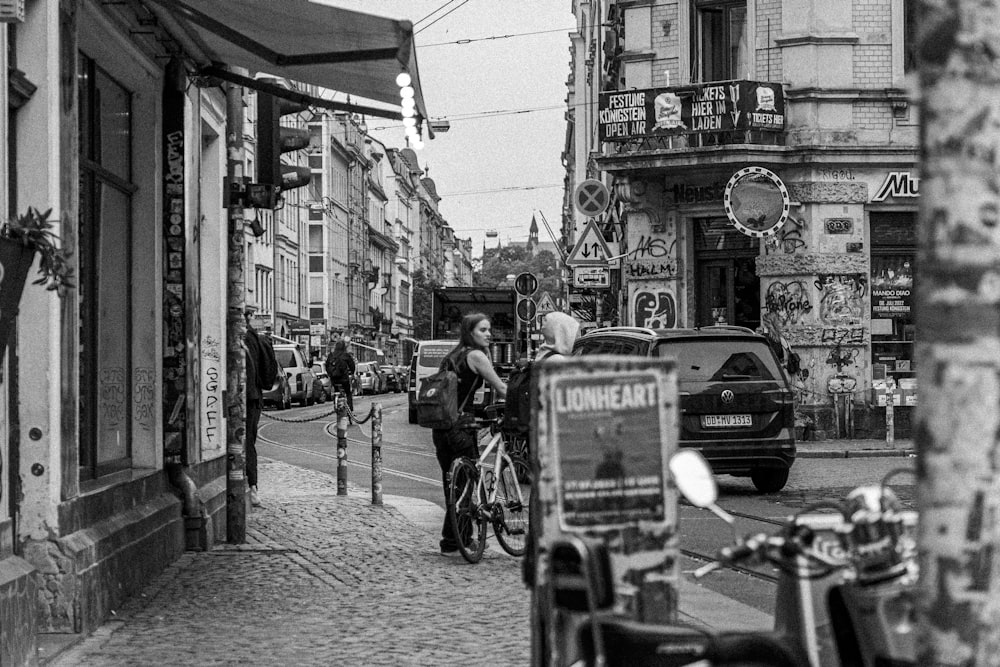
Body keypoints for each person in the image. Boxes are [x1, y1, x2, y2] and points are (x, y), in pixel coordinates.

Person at [434, 312, 507, 557]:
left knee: (452, 487)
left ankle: (453, 540)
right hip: (460, 429)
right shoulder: (476, 356)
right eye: (483, 330)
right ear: (470, 333)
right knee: (465, 486)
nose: (489, 334)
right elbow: (501, 387)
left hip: (441, 428)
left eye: (489, 329)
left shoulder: (451, 356)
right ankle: (458, 542)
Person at [244, 311, 277, 508]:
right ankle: (252, 486)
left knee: (246, 442)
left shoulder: (245, 339)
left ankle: (251, 486)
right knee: (249, 442)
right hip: (255, 397)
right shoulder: (254, 338)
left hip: (247, 398)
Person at [325, 339, 356, 411]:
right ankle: (350, 410)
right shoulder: (345, 355)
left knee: (336, 390)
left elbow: (326, 366)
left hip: (334, 379)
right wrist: (352, 373)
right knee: (348, 392)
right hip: (344, 379)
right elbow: (352, 365)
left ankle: (336, 403)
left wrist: (330, 374)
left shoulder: (331, 355)